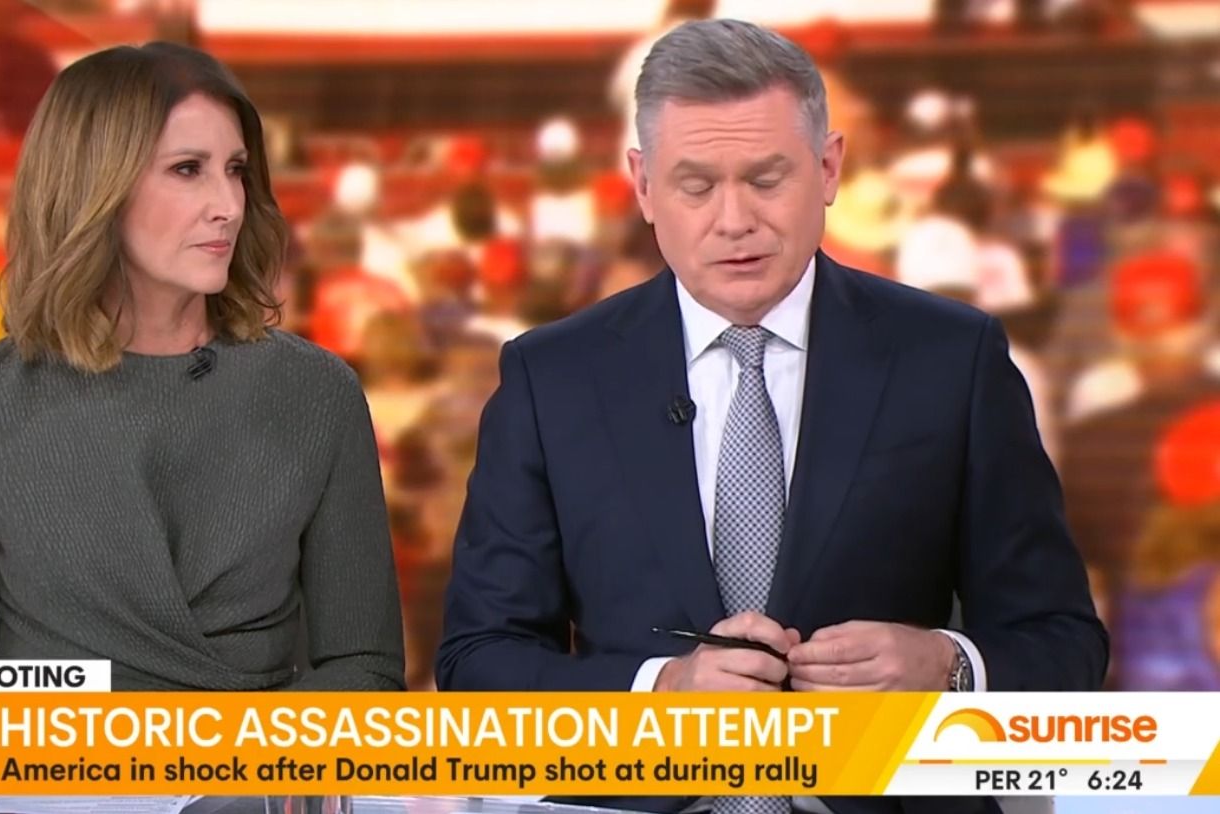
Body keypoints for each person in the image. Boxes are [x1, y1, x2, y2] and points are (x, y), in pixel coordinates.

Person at [436, 20, 1106, 814]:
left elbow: (1063, 640)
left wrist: (947, 668)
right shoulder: (552, 378)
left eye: (766, 179)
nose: (734, 220)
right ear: (643, 185)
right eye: (696, 186)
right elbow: (479, 664)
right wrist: (660, 694)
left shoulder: (952, 359)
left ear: (828, 168)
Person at [0, 44, 402, 771]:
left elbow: (365, 672)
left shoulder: (316, 393)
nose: (229, 205)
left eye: (236, 170)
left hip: (250, 788)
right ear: (94, 187)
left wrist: (208, 763)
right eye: (188, 170)